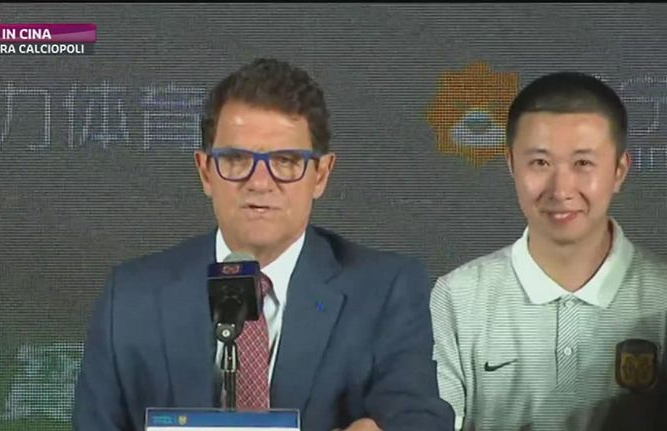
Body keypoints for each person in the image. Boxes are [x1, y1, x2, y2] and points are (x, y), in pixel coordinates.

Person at [73, 58, 454, 431]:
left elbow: (419, 417)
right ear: (205, 172)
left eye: (286, 161)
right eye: (236, 159)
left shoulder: (385, 291)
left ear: (321, 175)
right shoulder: (131, 298)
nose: (259, 182)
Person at [431, 71, 667, 430]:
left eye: (583, 163)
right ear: (512, 164)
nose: (561, 189)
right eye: (540, 163)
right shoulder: (457, 298)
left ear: (619, 170)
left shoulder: (661, 296)